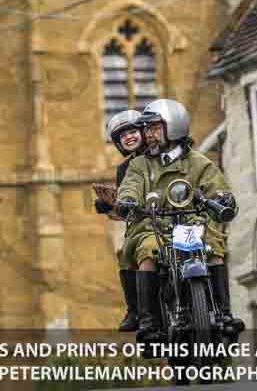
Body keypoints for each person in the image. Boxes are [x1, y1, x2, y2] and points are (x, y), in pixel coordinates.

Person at [116, 99, 240, 339]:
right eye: (147, 129)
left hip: (192, 222)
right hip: (153, 225)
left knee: (213, 246)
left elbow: (216, 185)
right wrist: (128, 200)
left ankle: (224, 313)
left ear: (173, 127)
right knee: (148, 250)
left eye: (154, 128)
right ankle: (149, 323)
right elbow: (131, 185)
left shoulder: (198, 161)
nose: (148, 135)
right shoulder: (140, 164)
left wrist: (223, 198)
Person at [95, 109, 145, 331]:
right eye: (122, 135)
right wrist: (108, 204)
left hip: (177, 219)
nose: (129, 137)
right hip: (144, 225)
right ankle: (135, 311)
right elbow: (124, 203)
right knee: (126, 253)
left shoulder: (162, 155)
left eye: (133, 131)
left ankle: (217, 308)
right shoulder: (124, 169)